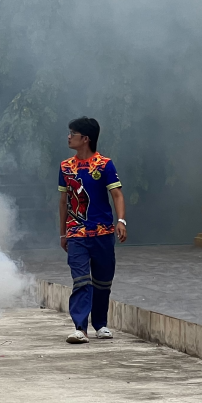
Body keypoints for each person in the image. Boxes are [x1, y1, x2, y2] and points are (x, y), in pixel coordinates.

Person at [58, 117, 126, 344]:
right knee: (81, 280)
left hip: (103, 232)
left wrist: (121, 221)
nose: (68, 137)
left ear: (85, 139)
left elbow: (116, 194)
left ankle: (100, 324)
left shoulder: (105, 165)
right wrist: (62, 232)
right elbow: (63, 201)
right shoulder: (65, 167)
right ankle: (80, 328)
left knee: (103, 281)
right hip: (76, 233)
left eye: (72, 133)